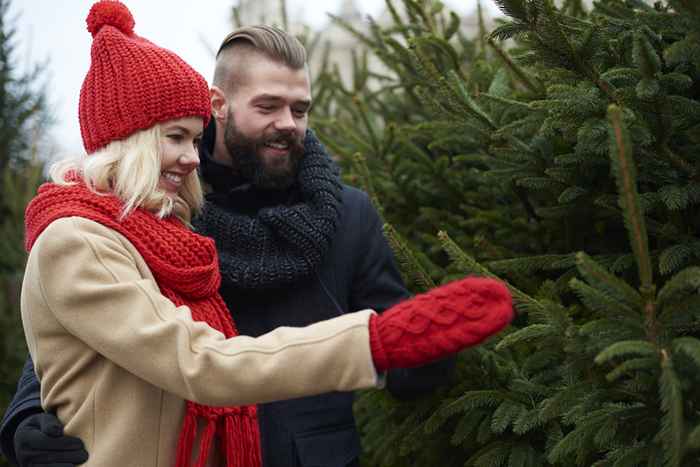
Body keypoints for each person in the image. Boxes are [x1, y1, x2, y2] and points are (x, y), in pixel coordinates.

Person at [0, 7, 514, 467]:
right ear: (219, 104)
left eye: (301, 108)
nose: (289, 124)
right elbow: (89, 334)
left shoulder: (348, 214)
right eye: (269, 106)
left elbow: (400, 327)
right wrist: (25, 417)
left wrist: (426, 345)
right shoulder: (165, 216)